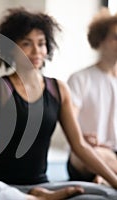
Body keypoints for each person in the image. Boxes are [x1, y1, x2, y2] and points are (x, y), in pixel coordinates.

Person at [0, 7, 117, 199]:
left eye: (41, 44)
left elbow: (79, 146)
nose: (36, 51)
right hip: (1, 185)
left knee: (106, 194)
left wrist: (115, 181)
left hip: (43, 183)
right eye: (27, 43)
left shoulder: (59, 89)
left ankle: (38, 195)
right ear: (11, 48)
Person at [67, 8, 117, 184]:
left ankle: (103, 178)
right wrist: (82, 137)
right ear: (100, 40)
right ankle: (104, 176)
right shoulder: (80, 79)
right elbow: (69, 121)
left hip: (113, 154)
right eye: (115, 38)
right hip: (87, 154)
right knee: (91, 154)